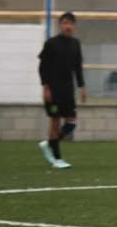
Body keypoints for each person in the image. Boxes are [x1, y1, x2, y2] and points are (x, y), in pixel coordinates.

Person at [37, 11, 86, 169]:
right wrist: (46, 88)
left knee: (71, 122)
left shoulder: (76, 44)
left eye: (70, 23)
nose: (68, 26)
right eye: (64, 23)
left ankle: (50, 143)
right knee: (55, 121)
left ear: (74, 26)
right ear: (60, 25)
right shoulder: (51, 43)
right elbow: (42, 67)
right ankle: (57, 159)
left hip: (68, 89)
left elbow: (78, 68)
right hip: (53, 89)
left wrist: (82, 87)